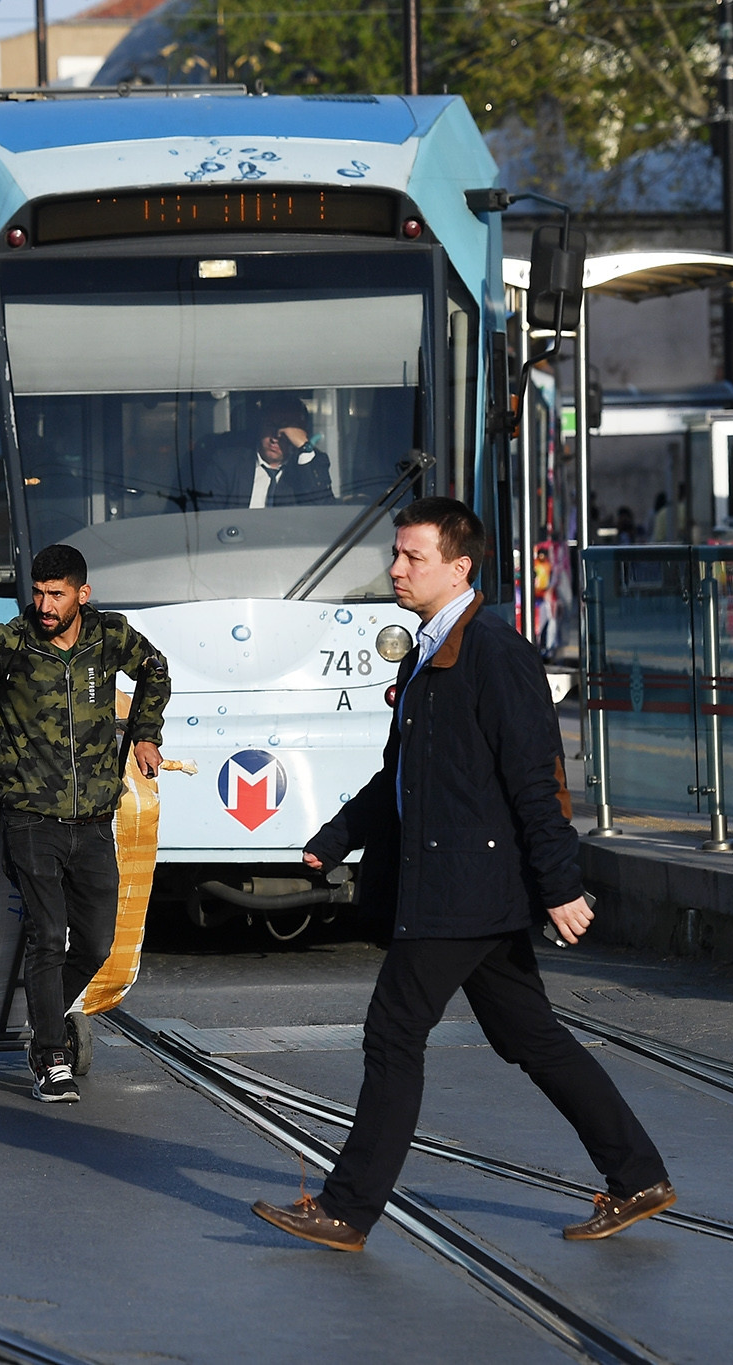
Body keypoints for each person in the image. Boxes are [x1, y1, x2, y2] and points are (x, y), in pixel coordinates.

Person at [251, 497, 674, 1252]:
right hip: (457, 883)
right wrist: (337, 835)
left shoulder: (493, 650)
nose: (396, 568)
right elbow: (402, 773)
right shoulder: (426, 649)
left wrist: (560, 883)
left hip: (465, 886)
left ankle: (348, 1208)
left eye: (412, 556)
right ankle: (637, 1172)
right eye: (396, 553)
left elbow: (536, 779)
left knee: (393, 1031)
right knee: (532, 1036)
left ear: (459, 567)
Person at [0, 542, 172, 1104]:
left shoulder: (110, 637)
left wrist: (147, 732)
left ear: (82, 595)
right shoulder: (10, 643)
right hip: (31, 817)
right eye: (37, 592)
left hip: (94, 821)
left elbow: (155, 670)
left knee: (96, 941)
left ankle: (45, 1025)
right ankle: (49, 1055)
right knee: (47, 936)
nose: (44, 604)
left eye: (56, 594)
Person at [206, 396, 334, 509]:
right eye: (271, 426)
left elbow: (324, 511)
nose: (275, 438)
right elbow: (209, 516)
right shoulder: (228, 463)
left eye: (285, 431)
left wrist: (304, 447)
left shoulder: (311, 465)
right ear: (261, 426)